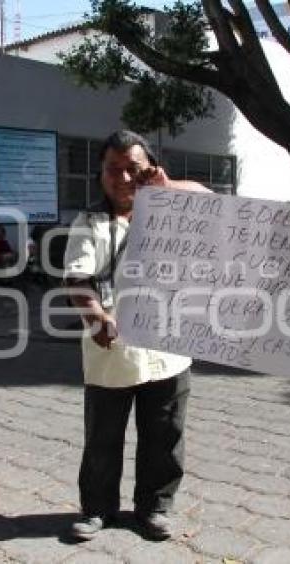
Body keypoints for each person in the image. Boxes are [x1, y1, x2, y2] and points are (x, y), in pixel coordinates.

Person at [63, 130, 210, 542]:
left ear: (151, 171)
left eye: (135, 169)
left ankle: (155, 509)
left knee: (164, 436)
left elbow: (211, 203)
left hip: (169, 350)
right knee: (103, 439)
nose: (124, 179)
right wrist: (94, 317)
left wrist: (168, 187)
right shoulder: (89, 222)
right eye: (114, 169)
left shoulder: (173, 211)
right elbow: (77, 278)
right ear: (100, 173)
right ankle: (97, 510)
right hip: (110, 351)